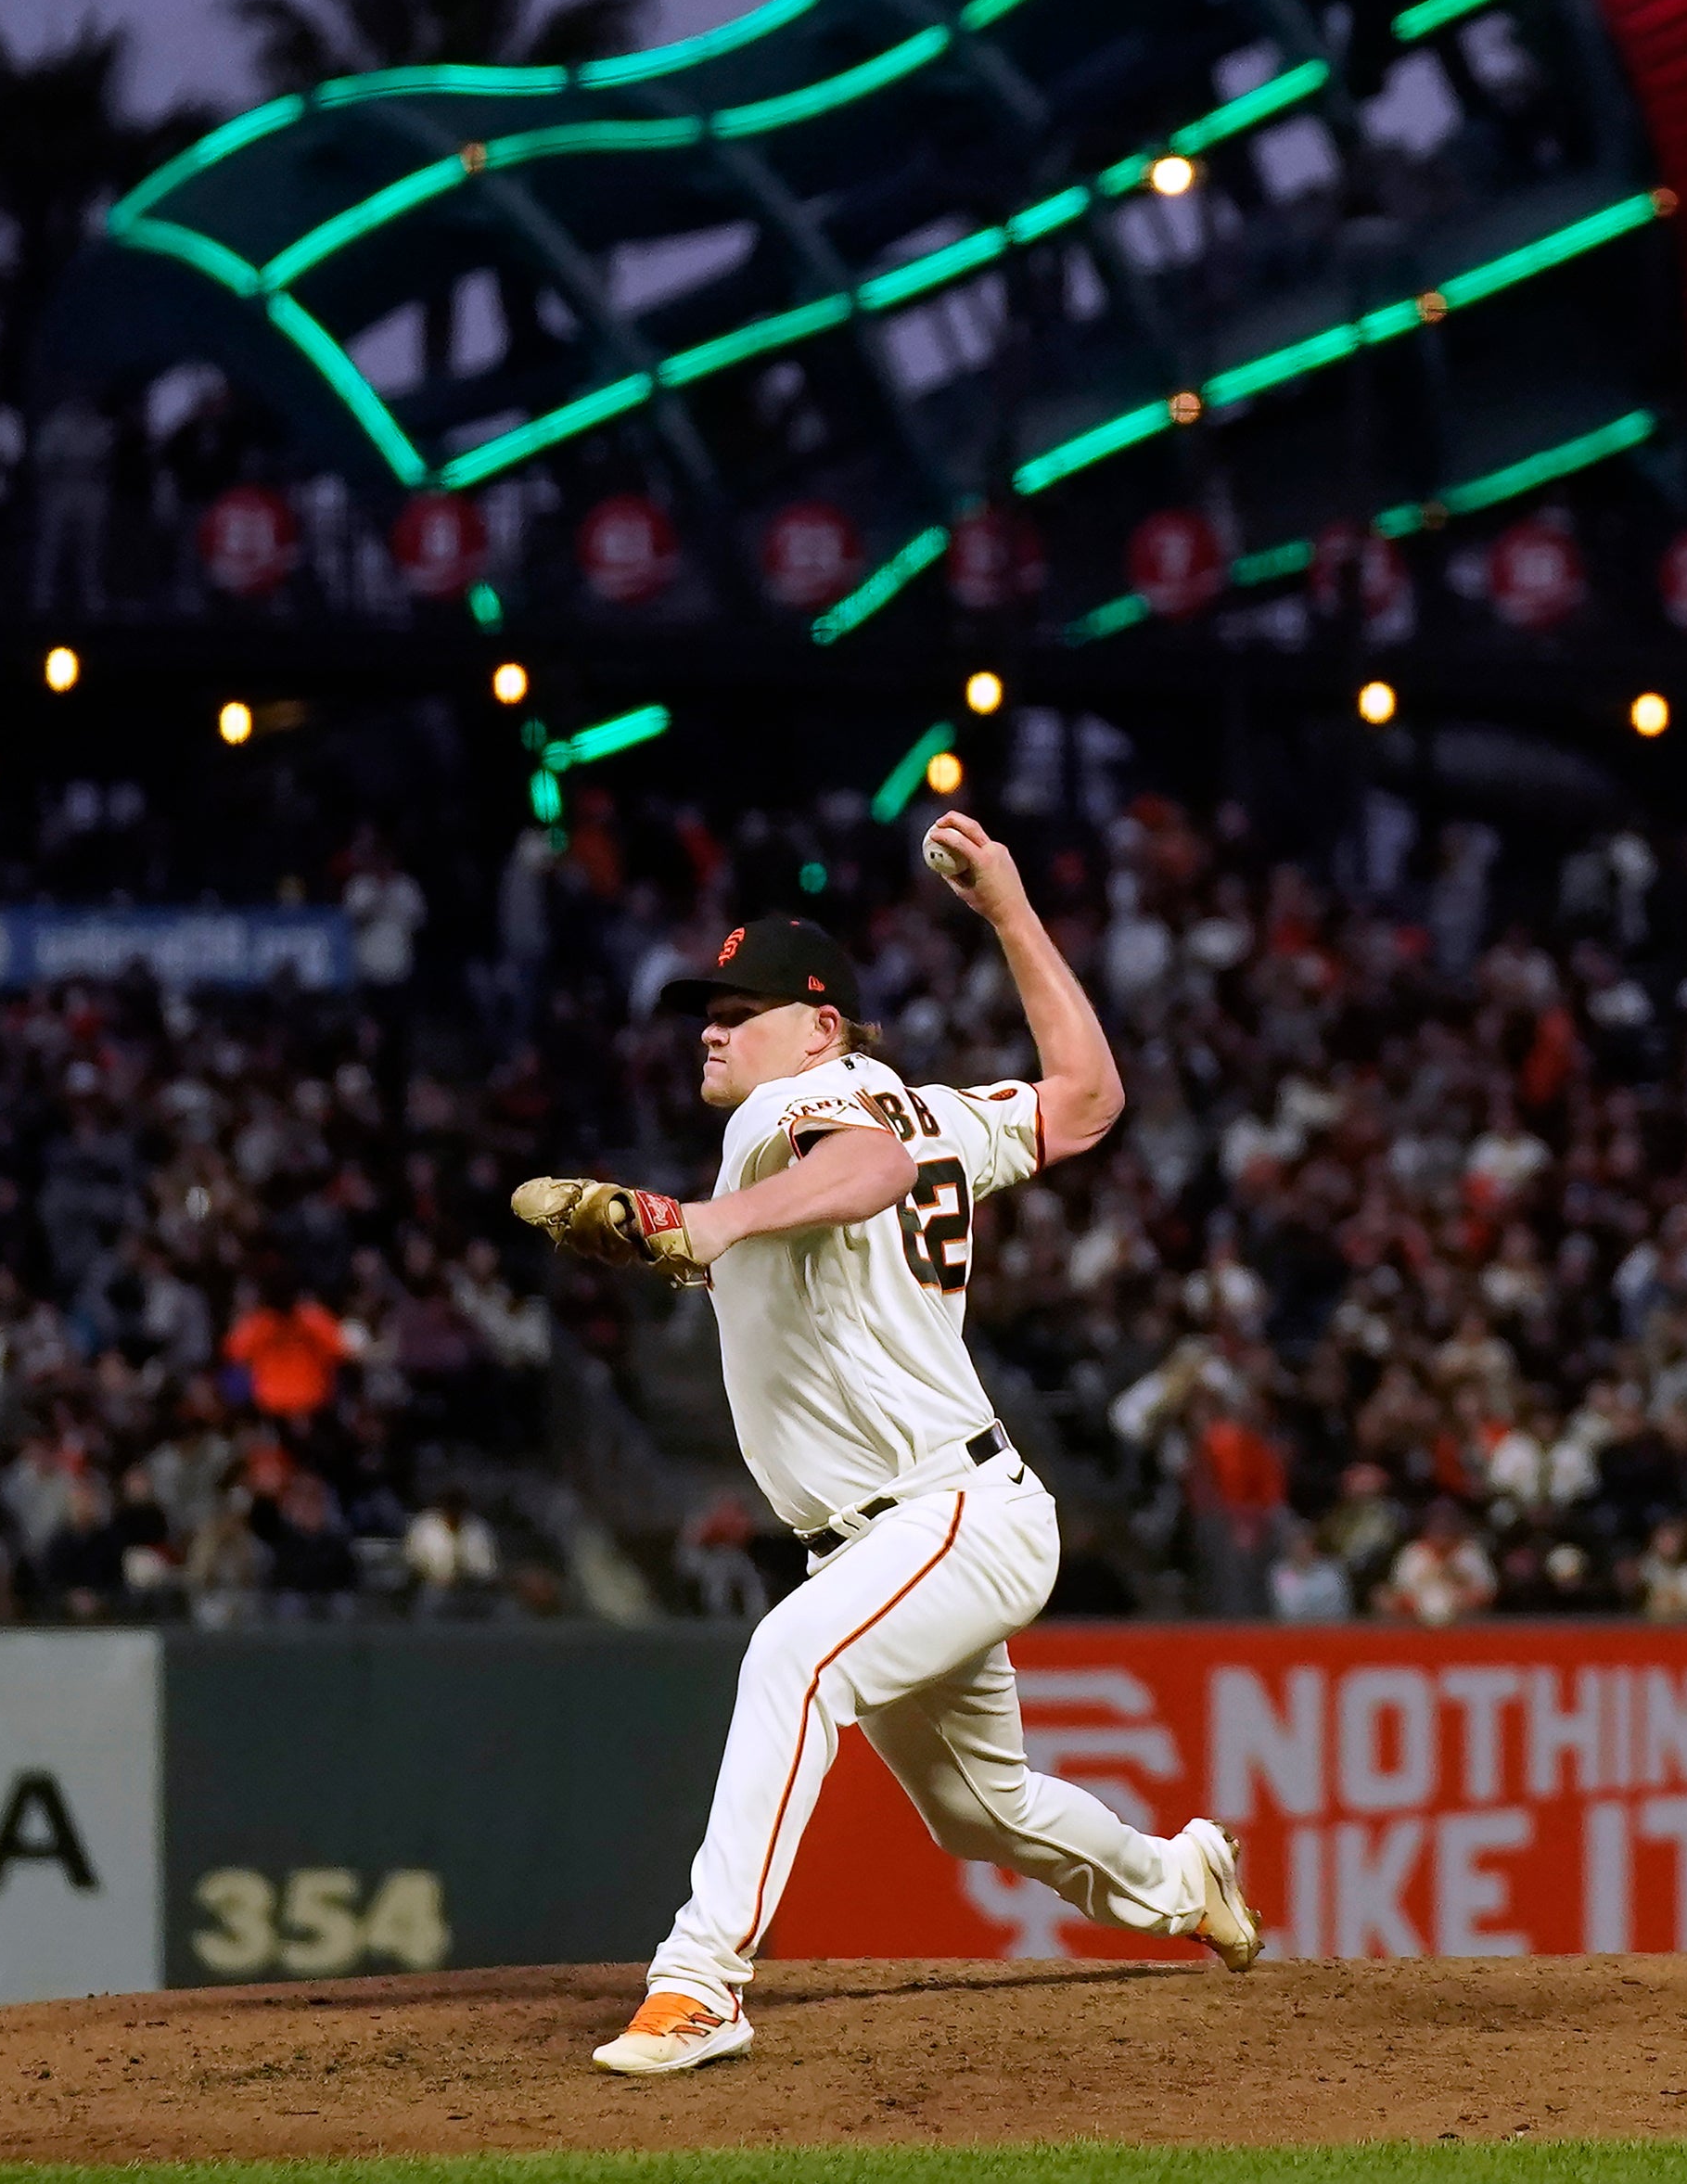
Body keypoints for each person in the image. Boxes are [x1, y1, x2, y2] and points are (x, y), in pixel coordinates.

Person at [509, 823, 1257, 2078]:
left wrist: (702, 1223)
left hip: (943, 1508)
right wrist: (1013, 912)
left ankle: (701, 1980)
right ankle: (1177, 1876)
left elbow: (860, 1165)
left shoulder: (808, 1099)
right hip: (923, 1516)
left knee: (791, 1660)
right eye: (706, 1007)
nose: (711, 1026)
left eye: (740, 1008)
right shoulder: (940, 1108)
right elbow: (1084, 1103)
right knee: (982, 1806)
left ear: (822, 1026)